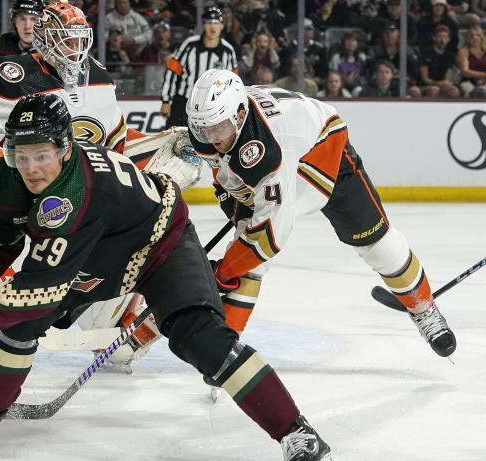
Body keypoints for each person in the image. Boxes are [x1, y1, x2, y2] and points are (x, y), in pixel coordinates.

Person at [0, 93, 344, 461]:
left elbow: (39, 289)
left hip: (159, 245)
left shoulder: (75, 192)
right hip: (91, 258)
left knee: (202, 338)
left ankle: (297, 432)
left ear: (64, 148)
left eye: (42, 155)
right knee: (18, 327)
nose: (31, 168)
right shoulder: (6, 176)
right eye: (22, 154)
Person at [0, 1, 199, 395]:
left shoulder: (100, 77)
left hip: (77, 206)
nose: (74, 50)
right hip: (23, 198)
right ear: (44, 37)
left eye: (79, 41)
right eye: (65, 40)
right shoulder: (12, 74)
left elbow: (116, 145)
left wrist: (163, 145)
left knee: (117, 259)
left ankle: (122, 329)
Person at [185, 69, 455, 358]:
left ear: (240, 115)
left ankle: (424, 309)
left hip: (321, 152)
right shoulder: (219, 124)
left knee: (379, 245)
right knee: (244, 252)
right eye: (204, 128)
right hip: (272, 160)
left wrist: (224, 271)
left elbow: (272, 236)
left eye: (218, 128)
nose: (211, 137)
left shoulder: (269, 147)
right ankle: (224, 350)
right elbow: (222, 166)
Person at [160, 5, 237, 128]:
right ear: (204, 25)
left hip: (212, 106)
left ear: (222, 26)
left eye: (216, 23)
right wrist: (165, 101)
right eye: (209, 23)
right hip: (183, 102)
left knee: (207, 144)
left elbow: (233, 83)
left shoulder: (228, 51)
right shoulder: (189, 45)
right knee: (173, 139)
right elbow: (172, 71)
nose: (213, 27)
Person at [418, 25, 461, 97]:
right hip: (425, 85)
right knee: (434, 90)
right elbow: (424, 79)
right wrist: (439, 83)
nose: (442, 40)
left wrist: (445, 83)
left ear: (449, 39)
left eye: (445, 37)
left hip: (441, 85)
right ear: (434, 38)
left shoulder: (450, 56)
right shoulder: (426, 53)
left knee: (454, 91)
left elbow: (448, 75)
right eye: (440, 36)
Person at [456, 25, 486, 97]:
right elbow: (465, 71)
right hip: (468, 82)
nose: (475, 38)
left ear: (481, 37)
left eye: (478, 35)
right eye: (471, 35)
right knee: (475, 92)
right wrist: (483, 75)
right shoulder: (463, 51)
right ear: (467, 39)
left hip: (485, 81)